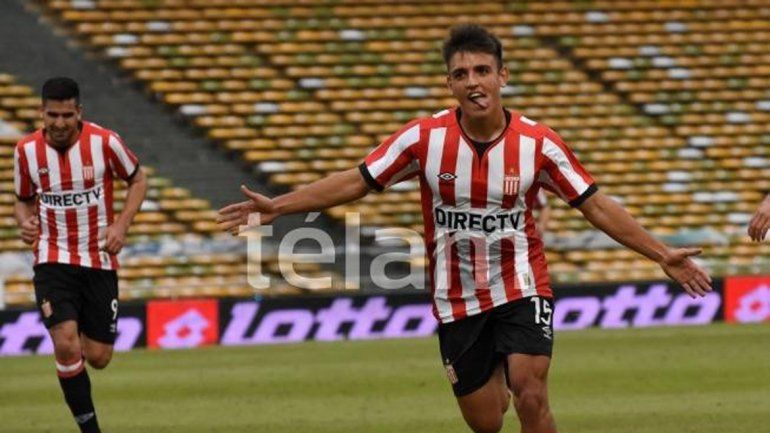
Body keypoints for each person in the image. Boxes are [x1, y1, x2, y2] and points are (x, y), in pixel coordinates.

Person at [217, 25, 712, 433]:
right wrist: (279, 207)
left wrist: (660, 253)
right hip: (457, 296)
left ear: (502, 76)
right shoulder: (422, 139)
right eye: (461, 74)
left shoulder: (539, 144)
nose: (473, 81)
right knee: (486, 420)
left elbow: (596, 205)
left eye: (482, 70)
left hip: (521, 281)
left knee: (531, 393)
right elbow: (357, 180)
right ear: (449, 84)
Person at [13, 77, 147, 433]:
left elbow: (138, 179)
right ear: (42, 112)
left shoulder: (106, 143)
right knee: (66, 343)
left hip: (98, 258)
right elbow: (23, 198)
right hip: (51, 257)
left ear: (79, 112)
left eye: (66, 115)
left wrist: (121, 225)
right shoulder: (26, 151)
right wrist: (26, 223)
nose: (59, 123)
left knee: (99, 357)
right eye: (52, 115)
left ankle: (75, 370)